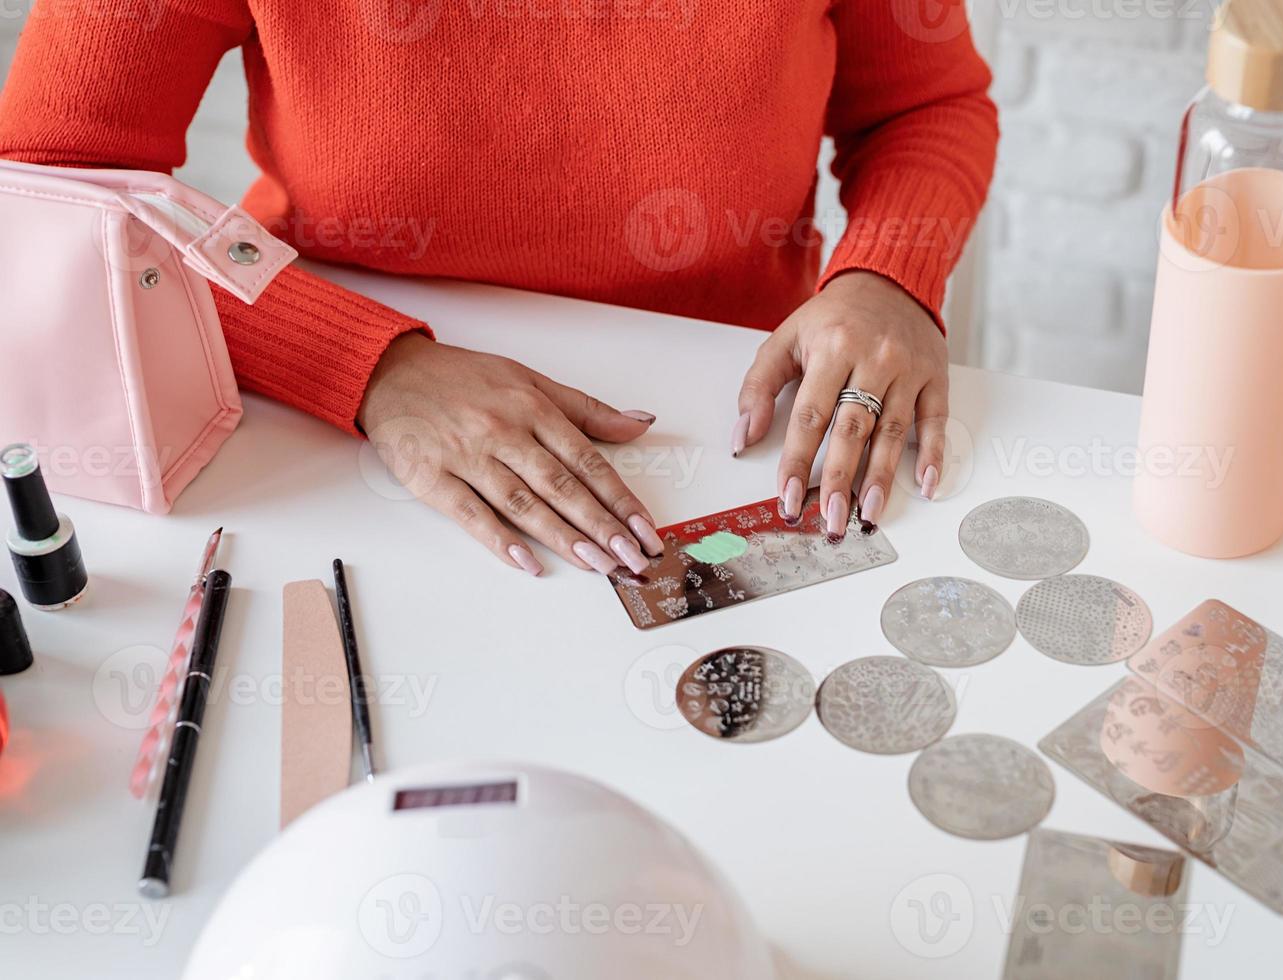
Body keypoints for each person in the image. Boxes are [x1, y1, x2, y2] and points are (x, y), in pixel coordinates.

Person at [0, 0, 998, 578]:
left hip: (720, 416)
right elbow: (48, 181)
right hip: (317, 434)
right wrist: (365, 363)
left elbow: (927, 106)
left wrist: (884, 278)